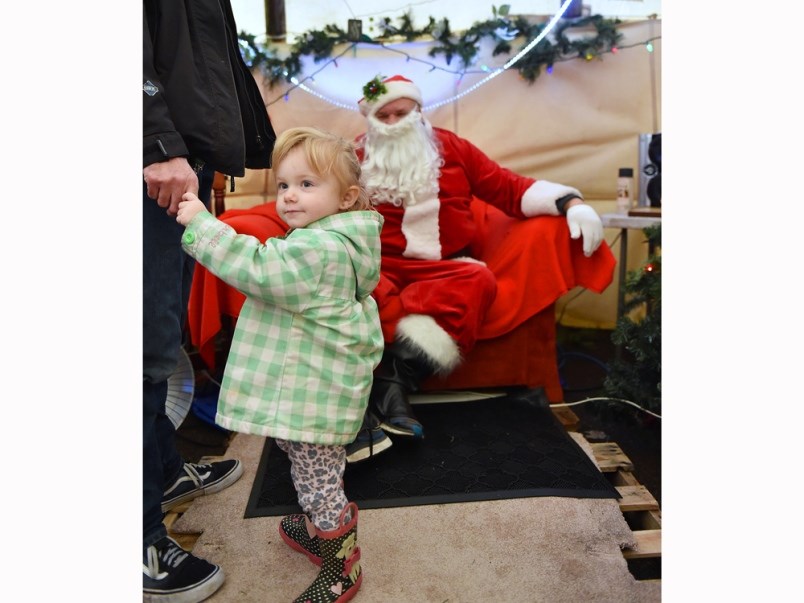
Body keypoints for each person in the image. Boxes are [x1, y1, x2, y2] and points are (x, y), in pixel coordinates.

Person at [345, 74, 606, 462]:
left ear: (419, 112)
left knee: (477, 278)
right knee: (352, 282)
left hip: (444, 269)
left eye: (403, 111)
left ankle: (392, 383)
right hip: (379, 265)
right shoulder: (354, 157)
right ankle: (388, 394)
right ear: (371, 119)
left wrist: (570, 203)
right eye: (385, 114)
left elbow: (507, 188)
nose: (396, 120)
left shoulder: (452, 148)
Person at [176, 126, 384, 602]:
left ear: (347, 197)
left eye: (307, 185)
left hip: (312, 392)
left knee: (319, 481)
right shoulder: (325, 237)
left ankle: (340, 560)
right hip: (310, 385)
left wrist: (203, 225)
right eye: (285, 185)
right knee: (306, 463)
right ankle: (319, 528)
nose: (290, 197)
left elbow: (260, 269)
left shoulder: (320, 249)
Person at [143, 0, 276, 601]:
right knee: (138, 354)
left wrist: (212, 152)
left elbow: (195, 52)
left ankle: (163, 475)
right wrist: (156, 142)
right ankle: (139, 538)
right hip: (151, 161)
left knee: (161, 342)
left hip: (176, 160)